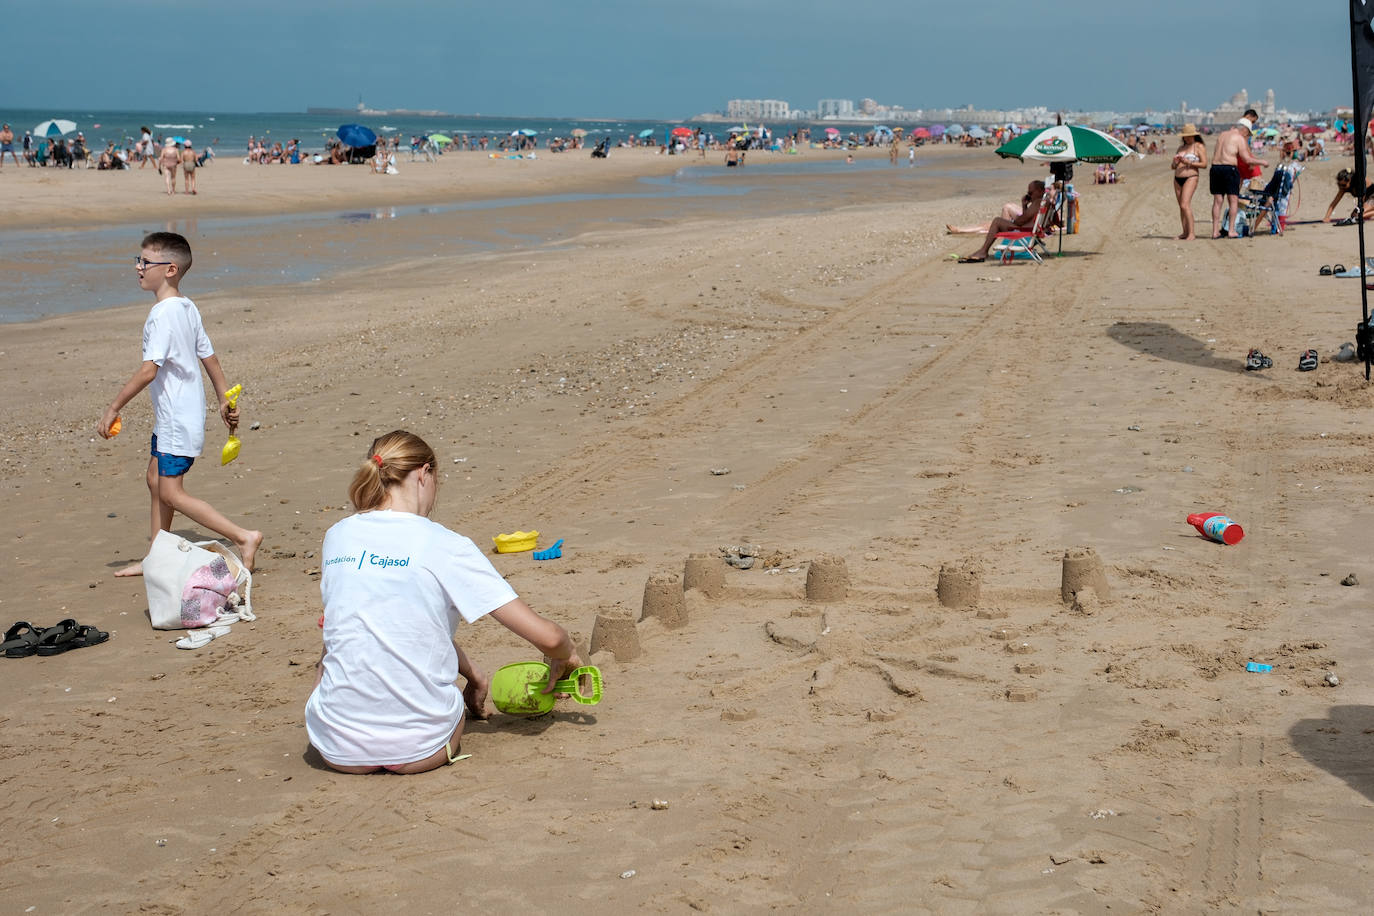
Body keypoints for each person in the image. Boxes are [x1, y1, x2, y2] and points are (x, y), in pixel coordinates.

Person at [304, 430, 582, 774]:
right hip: (421, 748)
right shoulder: (444, 543)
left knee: (343, 625)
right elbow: (548, 638)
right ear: (424, 474)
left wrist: (474, 674)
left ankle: (339, 713)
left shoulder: (337, 536)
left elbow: (398, 622)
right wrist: (565, 653)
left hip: (335, 749)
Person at [98, 232, 262, 577]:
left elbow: (148, 371)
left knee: (171, 493)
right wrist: (222, 399)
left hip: (176, 419)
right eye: (138, 260)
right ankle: (157, 558)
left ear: (170, 269)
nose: (138, 267)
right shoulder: (186, 306)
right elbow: (209, 356)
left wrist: (114, 407)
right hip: (179, 416)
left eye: (146, 262)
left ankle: (243, 537)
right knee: (155, 479)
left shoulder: (164, 314)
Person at [957, 180, 1046, 263]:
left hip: (1026, 230)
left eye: (1030, 193)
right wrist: (1024, 206)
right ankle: (983, 251)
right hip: (1032, 229)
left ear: (1040, 191)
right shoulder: (1043, 202)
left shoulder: (1038, 202)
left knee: (997, 221)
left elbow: (1019, 222)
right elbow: (1026, 218)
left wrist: (1016, 219)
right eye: (1028, 194)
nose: (1029, 196)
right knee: (998, 221)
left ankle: (983, 251)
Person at [1209, 120, 1267, 238]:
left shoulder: (1222, 135)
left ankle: (1215, 231)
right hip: (1229, 169)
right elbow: (1247, 159)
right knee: (1233, 200)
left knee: (1217, 201)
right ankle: (1231, 230)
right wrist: (1262, 162)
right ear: (1244, 129)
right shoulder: (1239, 138)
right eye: (1248, 134)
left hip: (1215, 168)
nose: (1247, 136)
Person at [1171, 124, 1208, 240]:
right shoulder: (1180, 148)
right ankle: (1185, 232)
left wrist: (1189, 163)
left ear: (1193, 135)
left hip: (1191, 177)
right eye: (1185, 136)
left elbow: (1204, 164)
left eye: (1188, 136)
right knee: (1181, 207)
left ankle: (1191, 233)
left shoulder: (1198, 146)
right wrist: (1176, 162)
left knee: (1185, 204)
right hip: (1177, 178)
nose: (1186, 138)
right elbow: (1172, 167)